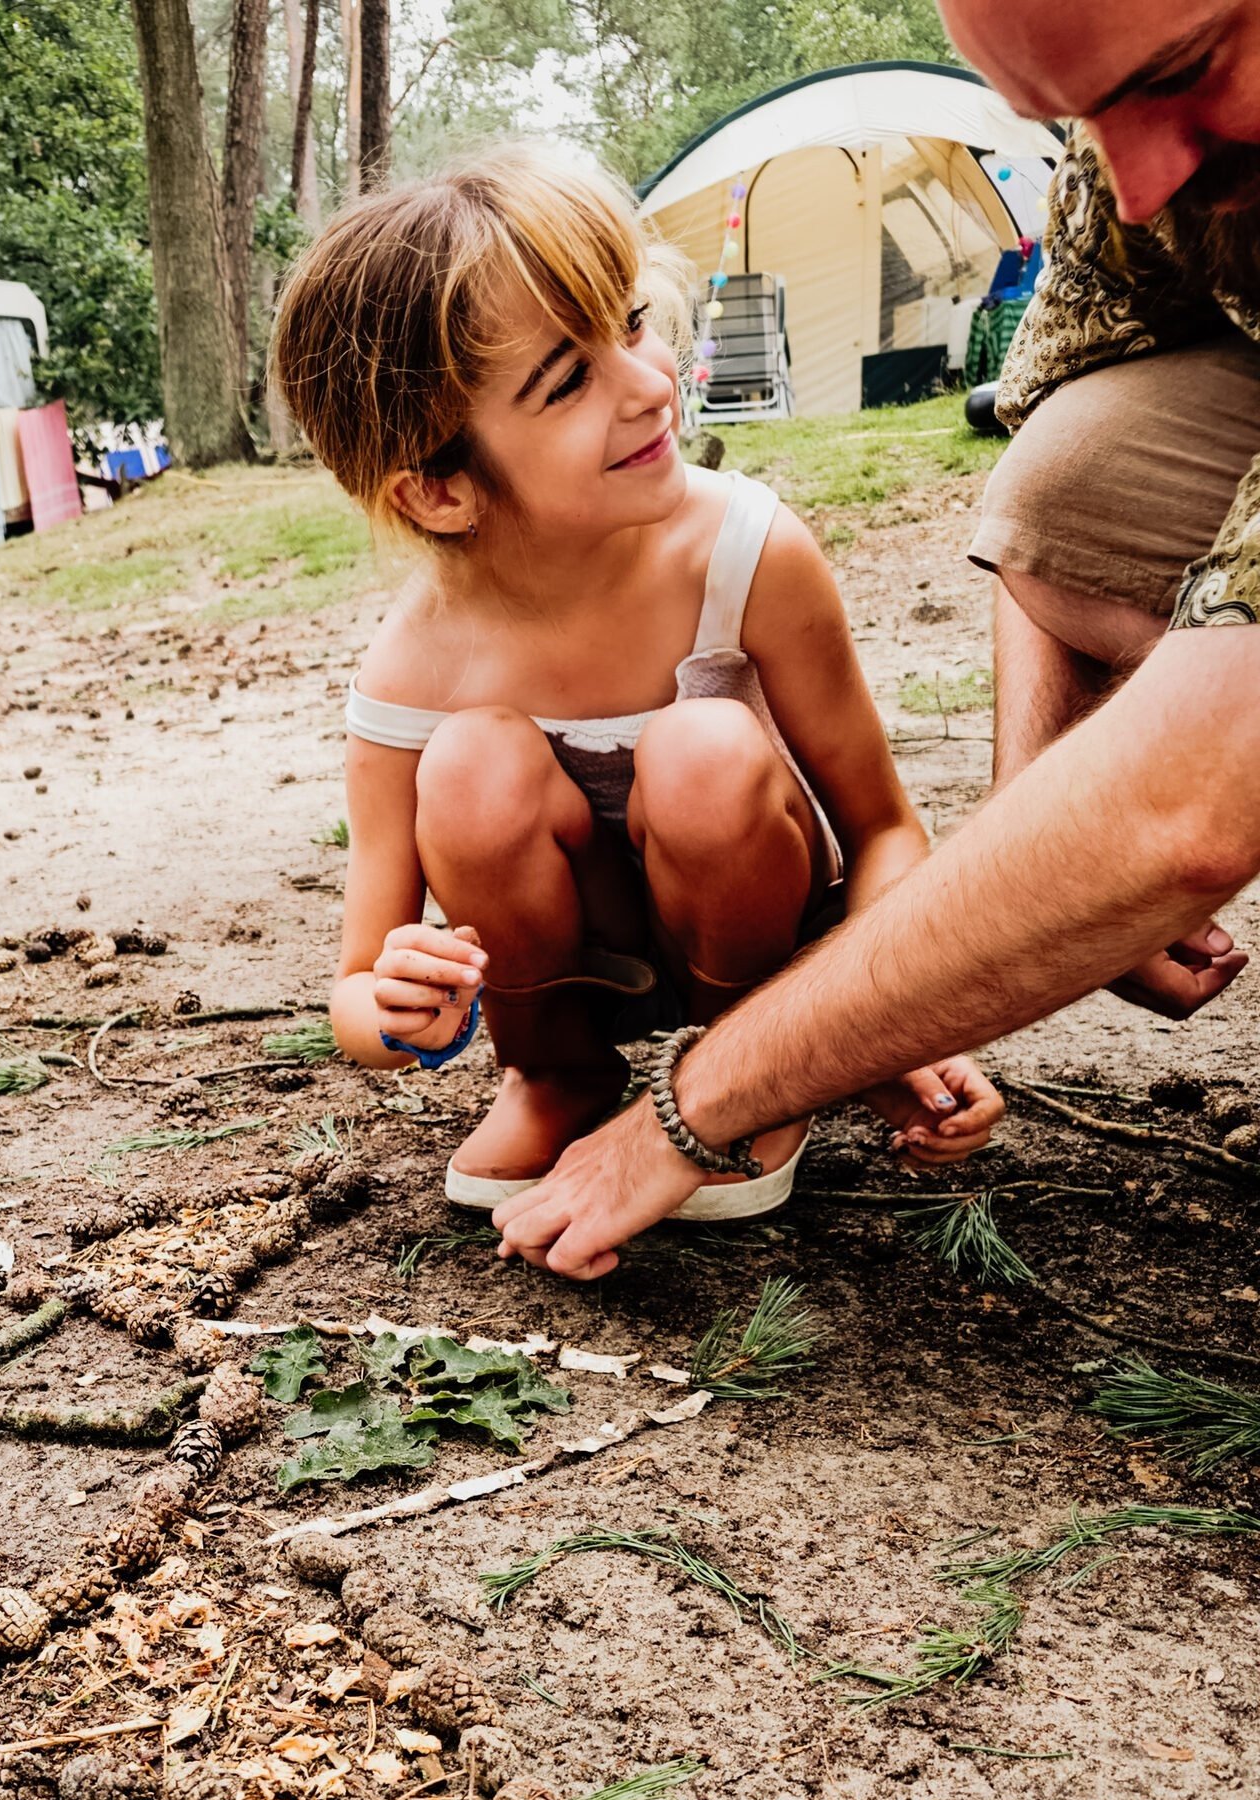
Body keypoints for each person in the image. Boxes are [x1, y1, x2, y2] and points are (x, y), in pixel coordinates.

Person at [492, 0, 1260, 1277]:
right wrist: (1046, 812)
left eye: (1182, 76)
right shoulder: (1137, 143)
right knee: (1072, 473)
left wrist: (697, 1107)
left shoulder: (749, 545)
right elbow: (1063, 411)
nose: (1136, 184)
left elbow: (1188, 813)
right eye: (1076, 118)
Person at [268, 152, 1002, 1222]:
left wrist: (887, 1026)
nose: (653, 382)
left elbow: (885, 831)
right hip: (564, 965)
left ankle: (752, 1066)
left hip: (762, 954)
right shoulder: (412, 668)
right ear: (438, 490)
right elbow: (355, 984)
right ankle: (561, 1072)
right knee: (470, 765)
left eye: (629, 320)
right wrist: (394, 1007)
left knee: (703, 750)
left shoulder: (749, 554)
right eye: (568, 382)